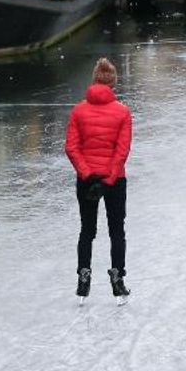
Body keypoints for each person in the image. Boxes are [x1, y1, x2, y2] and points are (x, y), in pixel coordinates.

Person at [64, 58, 133, 299]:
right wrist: (108, 179)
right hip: (114, 181)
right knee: (117, 230)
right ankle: (117, 277)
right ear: (113, 82)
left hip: (87, 181)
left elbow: (72, 148)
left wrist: (88, 174)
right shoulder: (122, 112)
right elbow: (122, 151)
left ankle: (84, 276)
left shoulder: (78, 110)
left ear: (93, 79)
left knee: (87, 230)